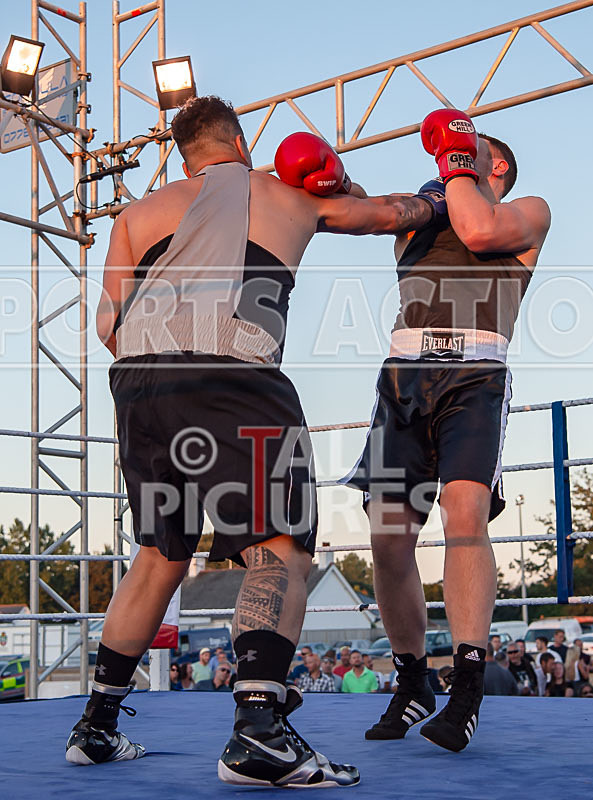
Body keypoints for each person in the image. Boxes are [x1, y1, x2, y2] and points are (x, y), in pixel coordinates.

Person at [66, 95, 433, 785]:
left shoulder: (134, 216)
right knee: (281, 547)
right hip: (233, 376)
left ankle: (95, 726)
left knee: (157, 554)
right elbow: (390, 215)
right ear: (239, 141)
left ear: (184, 152)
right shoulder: (281, 190)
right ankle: (259, 729)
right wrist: (360, 183)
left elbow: (105, 326)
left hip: (138, 387)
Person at [350, 107, 551, 752]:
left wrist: (459, 162)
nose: (447, 159)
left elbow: (479, 227)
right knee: (387, 536)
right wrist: (325, 182)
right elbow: (371, 216)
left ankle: (465, 685)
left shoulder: (527, 212)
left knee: (463, 514)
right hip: (404, 372)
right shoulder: (427, 208)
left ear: (496, 166)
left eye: (467, 151)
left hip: (475, 372)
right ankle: (413, 682)